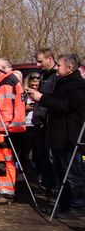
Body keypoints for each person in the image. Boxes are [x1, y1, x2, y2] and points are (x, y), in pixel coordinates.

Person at [28, 54, 85, 217]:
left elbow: (67, 106)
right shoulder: (61, 83)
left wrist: (42, 98)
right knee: (60, 174)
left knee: (72, 173)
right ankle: (64, 204)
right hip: (57, 136)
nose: (56, 68)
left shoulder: (78, 86)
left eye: (59, 65)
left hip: (69, 137)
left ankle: (78, 206)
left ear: (70, 68)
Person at [0, 58, 26, 205]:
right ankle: (4, 191)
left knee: (4, 161)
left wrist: (0, 129)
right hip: (6, 128)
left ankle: (6, 193)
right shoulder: (7, 81)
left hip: (4, 129)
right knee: (4, 161)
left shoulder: (6, 83)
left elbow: (6, 109)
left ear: (2, 67)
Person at [33, 48, 58, 194]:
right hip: (39, 120)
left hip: (49, 122)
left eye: (40, 61)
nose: (38, 64)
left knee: (51, 155)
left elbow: (54, 100)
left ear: (50, 59)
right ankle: (47, 183)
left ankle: (55, 185)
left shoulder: (56, 76)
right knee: (41, 155)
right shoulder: (43, 75)